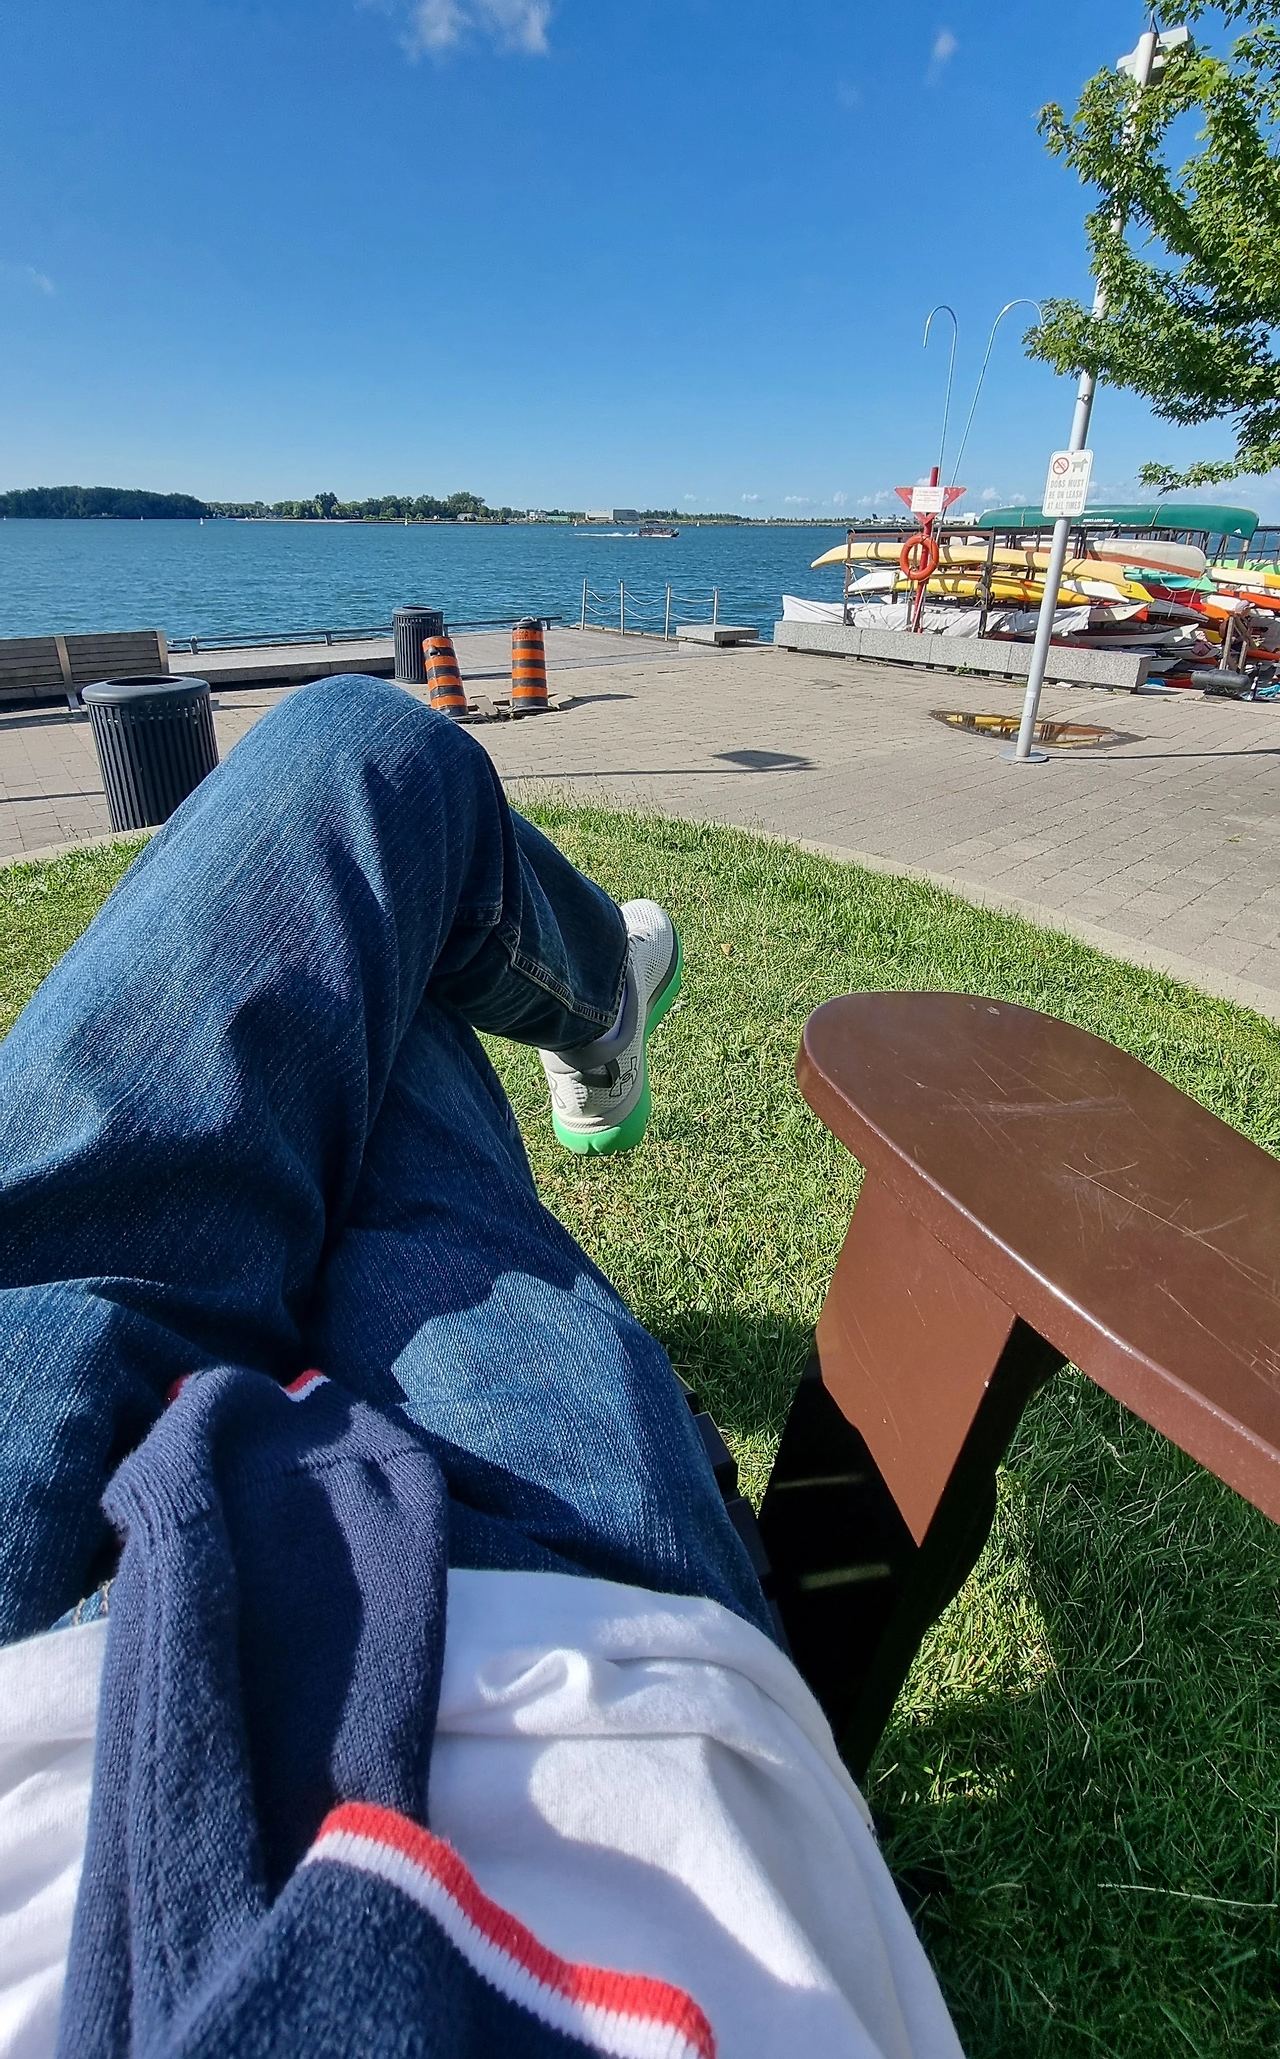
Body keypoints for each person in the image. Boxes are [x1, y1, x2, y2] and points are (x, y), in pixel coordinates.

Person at [0, 676, 963, 2059]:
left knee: (364, 832)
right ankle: (600, 1005)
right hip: (567, 1683)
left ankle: (591, 1003)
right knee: (371, 790)